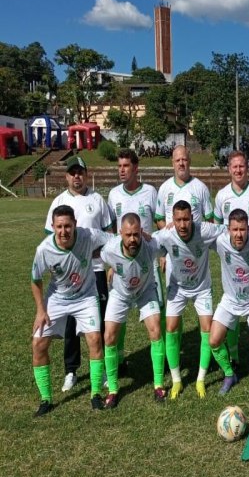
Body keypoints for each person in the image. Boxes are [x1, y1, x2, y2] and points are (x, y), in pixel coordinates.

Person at [31, 205, 112, 415]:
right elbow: (35, 280)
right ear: (53, 227)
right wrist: (41, 310)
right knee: (38, 343)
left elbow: (113, 239)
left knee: (95, 339)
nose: (64, 231)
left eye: (68, 226)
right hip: (57, 298)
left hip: (85, 296)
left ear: (75, 225)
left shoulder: (88, 235)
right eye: (59, 226)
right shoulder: (44, 249)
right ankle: (46, 399)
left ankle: (95, 394)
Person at [45, 155, 113, 393]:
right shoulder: (58, 202)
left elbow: (109, 234)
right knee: (70, 324)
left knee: (100, 321)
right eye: (72, 172)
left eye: (80, 172)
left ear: (86, 174)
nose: (76, 176)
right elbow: (49, 239)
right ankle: (71, 370)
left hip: (95, 271)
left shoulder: (98, 200)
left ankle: (102, 366)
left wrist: (110, 263)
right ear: (66, 176)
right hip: (67, 275)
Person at [151, 200, 225, 399]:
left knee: (207, 328)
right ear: (172, 221)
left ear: (193, 218)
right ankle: (176, 380)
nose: (182, 225)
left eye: (186, 219)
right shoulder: (166, 235)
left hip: (201, 287)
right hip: (178, 288)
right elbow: (144, 244)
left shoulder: (205, 230)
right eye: (178, 220)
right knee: (171, 328)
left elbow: (230, 229)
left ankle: (200, 379)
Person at [213, 150, 249, 374]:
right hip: (232, 260)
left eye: (242, 166)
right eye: (234, 166)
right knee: (232, 311)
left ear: (247, 168)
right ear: (229, 168)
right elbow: (218, 227)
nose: (238, 170)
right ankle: (235, 355)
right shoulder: (221, 196)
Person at [100, 213, 164, 407]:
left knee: (156, 330)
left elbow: (169, 242)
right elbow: (103, 259)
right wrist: (112, 268)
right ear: (120, 234)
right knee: (109, 336)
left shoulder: (152, 246)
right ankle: (112, 389)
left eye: (136, 234)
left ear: (142, 232)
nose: (133, 239)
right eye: (128, 235)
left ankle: (159, 385)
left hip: (145, 292)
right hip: (120, 294)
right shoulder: (110, 250)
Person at [107, 148, 159, 378]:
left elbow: (159, 224)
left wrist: (163, 255)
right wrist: (111, 262)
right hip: (122, 264)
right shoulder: (113, 195)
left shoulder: (150, 192)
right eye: (119, 166)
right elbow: (111, 232)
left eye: (126, 166)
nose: (121, 170)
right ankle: (119, 359)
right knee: (120, 313)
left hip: (148, 263)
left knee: (158, 312)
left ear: (136, 168)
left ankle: (161, 358)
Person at [210, 209, 249, 395]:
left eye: (242, 230)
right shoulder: (219, 241)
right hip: (230, 300)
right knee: (213, 340)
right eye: (235, 229)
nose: (239, 234)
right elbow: (197, 232)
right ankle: (229, 374)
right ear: (228, 229)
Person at [155, 145, 213, 227]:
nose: (181, 163)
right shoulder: (164, 188)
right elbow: (159, 219)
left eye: (184, 160)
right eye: (177, 160)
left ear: (189, 161)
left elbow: (209, 220)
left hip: (195, 239)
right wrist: (170, 234)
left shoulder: (201, 187)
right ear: (173, 163)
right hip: (171, 240)